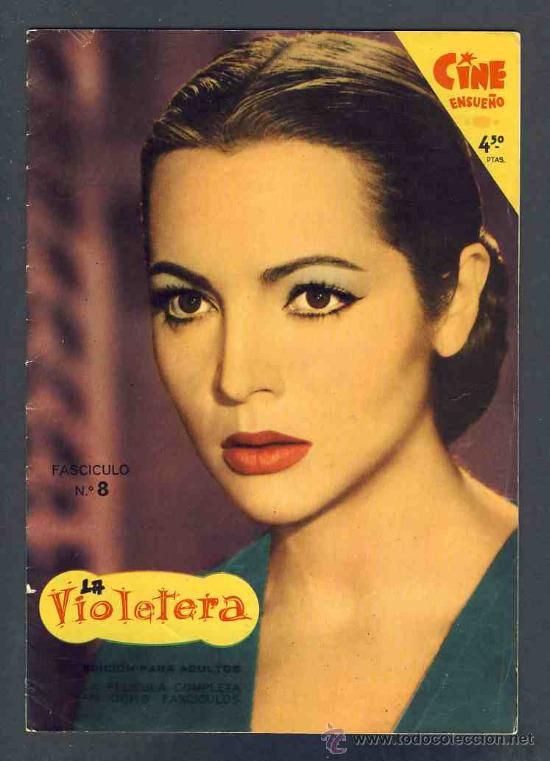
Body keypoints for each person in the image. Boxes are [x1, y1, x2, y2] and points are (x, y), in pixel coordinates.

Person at [75, 32, 518, 733]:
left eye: (315, 296)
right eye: (187, 302)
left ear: (455, 300)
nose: (236, 377)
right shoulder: (147, 666)